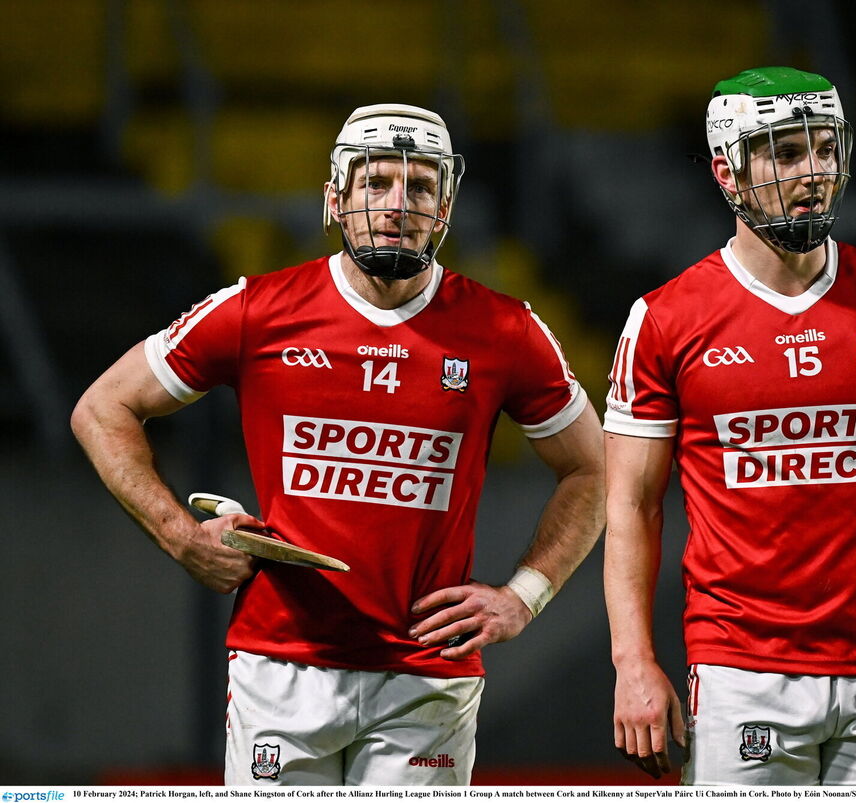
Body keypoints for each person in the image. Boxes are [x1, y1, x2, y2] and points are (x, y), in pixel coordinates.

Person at [71, 103, 605, 785]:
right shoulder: (258, 310)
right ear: (336, 198)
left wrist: (524, 594)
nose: (396, 204)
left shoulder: (506, 330)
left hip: (425, 680)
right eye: (376, 182)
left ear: (447, 204)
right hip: (281, 668)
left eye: (419, 186)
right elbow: (101, 406)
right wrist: (179, 535)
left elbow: (593, 468)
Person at [603, 67, 856, 785]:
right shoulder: (665, 319)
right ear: (725, 171)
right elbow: (632, 505)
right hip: (741, 674)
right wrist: (633, 661)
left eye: (825, 149)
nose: (814, 172)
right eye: (786, 153)